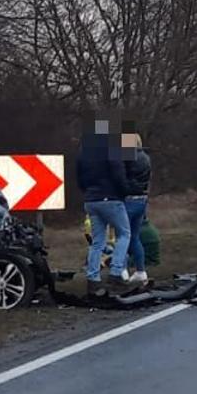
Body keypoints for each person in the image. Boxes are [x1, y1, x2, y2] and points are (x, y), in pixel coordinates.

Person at [76, 120, 133, 295]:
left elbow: (79, 177)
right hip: (110, 198)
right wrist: (125, 191)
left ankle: (93, 279)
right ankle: (116, 273)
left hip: (91, 200)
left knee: (97, 242)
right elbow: (118, 172)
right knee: (124, 234)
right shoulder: (111, 149)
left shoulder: (83, 152)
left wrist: (88, 192)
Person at [122, 132, 153, 285]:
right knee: (134, 236)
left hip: (129, 199)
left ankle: (123, 269)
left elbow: (121, 175)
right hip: (142, 198)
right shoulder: (146, 158)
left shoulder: (128, 158)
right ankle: (141, 270)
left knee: (123, 236)